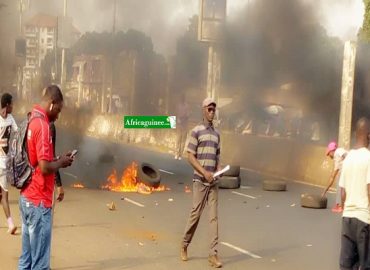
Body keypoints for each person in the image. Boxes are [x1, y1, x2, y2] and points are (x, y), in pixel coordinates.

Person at [18, 85, 75, 270]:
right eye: (58, 110)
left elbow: (37, 160)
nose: (58, 115)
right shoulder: (43, 126)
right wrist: (62, 163)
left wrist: (58, 159)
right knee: (40, 265)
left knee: (26, 260)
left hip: (27, 198)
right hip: (38, 203)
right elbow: (43, 167)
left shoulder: (31, 119)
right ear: (52, 104)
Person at [180, 97, 223, 268]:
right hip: (199, 181)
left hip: (213, 182)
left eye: (214, 109)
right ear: (203, 110)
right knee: (195, 216)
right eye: (209, 109)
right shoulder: (196, 131)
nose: (212, 112)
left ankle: (213, 254)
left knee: (213, 218)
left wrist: (217, 171)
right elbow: (190, 156)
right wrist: (204, 172)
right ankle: (184, 244)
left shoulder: (217, 134)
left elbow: (218, 156)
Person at [338, 117, 370, 270]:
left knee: (346, 265)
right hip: (364, 218)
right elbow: (369, 189)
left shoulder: (348, 157)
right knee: (365, 265)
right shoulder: (369, 158)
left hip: (347, 218)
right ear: (368, 135)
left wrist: (346, 210)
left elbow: (343, 192)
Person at [0, 93, 18, 234]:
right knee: (4, 195)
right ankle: (10, 224)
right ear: (7, 105)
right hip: (4, 163)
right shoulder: (11, 119)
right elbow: (18, 135)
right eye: (11, 104)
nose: (13, 106)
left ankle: (11, 224)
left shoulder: (9, 118)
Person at [322, 141, 347, 213]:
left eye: (329, 153)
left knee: (339, 183)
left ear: (332, 151)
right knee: (340, 180)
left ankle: (339, 206)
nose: (329, 156)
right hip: (350, 169)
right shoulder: (339, 154)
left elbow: (333, 176)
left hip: (349, 169)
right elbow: (333, 176)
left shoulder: (337, 152)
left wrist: (324, 191)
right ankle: (341, 205)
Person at [175, 94, 190, 160]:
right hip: (179, 125)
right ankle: (176, 154)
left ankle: (180, 155)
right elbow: (176, 113)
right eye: (181, 98)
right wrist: (178, 119)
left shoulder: (187, 106)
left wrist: (185, 117)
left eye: (183, 98)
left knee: (183, 141)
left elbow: (188, 114)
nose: (182, 99)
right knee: (178, 140)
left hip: (185, 125)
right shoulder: (178, 105)